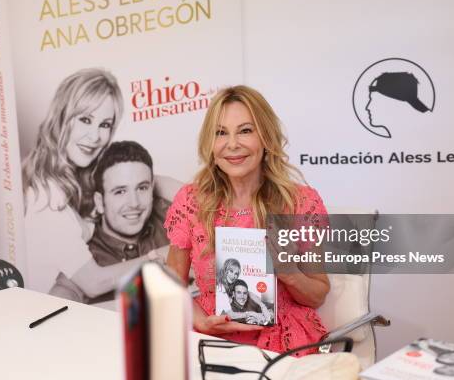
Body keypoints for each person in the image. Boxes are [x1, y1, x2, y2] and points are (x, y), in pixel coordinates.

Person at [165, 85, 330, 356]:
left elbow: (318, 293)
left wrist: (290, 274)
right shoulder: (191, 201)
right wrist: (199, 320)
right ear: (210, 144)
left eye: (245, 130)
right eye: (220, 133)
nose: (232, 144)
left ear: (265, 138)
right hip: (212, 336)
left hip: (282, 342)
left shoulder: (299, 202)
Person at [22, 68, 124, 294]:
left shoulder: (75, 177)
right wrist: (160, 259)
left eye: (105, 125)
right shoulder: (45, 196)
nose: (95, 136)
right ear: (62, 117)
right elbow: (94, 283)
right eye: (85, 120)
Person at [48, 141, 171, 302]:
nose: (134, 203)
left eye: (142, 188)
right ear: (99, 202)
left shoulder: (171, 215)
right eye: (120, 191)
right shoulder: (86, 255)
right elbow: (60, 297)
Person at [216, 258, 271, 324]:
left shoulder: (231, 283)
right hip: (220, 321)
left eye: (236, 274)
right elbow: (230, 315)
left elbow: (248, 292)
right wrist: (252, 314)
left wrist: (262, 306)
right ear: (225, 270)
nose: (233, 276)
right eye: (231, 271)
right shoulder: (220, 289)